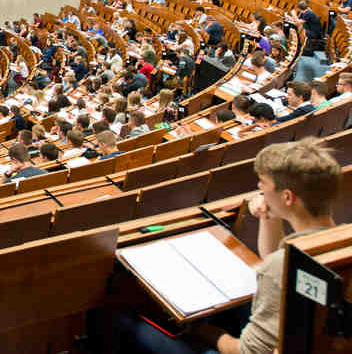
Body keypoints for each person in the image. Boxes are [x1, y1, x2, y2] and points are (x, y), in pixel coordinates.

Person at [112, 139, 341, 354]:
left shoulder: (278, 267)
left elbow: (248, 351)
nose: (259, 187)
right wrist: (268, 215)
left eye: (264, 184)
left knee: (125, 320)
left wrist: (206, 332)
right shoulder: (336, 238)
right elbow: (274, 257)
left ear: (288, 197)